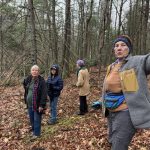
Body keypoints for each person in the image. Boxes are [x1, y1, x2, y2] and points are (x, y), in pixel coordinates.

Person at [101, 35, 150, 150]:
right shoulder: (111, 66)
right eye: (116, 46)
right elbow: (106, 88)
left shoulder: (137, 62)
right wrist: (101, 101)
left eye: (123, 45)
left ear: (129, 49)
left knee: (118, 146)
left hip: (125, 113)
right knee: (113, 141)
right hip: (110, 112)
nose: (119, 48)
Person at [23, 65, 47, 139]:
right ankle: (34, 132)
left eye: (36, 70)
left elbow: (44, 94)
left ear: (38, 72)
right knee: (32, 119)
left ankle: (37, 134)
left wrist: (41, 105)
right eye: (33, 70)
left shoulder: (42, 81)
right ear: (31, 71)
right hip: (29, 104)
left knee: (37, 119)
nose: (34, 71)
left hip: (37, 105)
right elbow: (26, 88)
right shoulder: (29, 79)